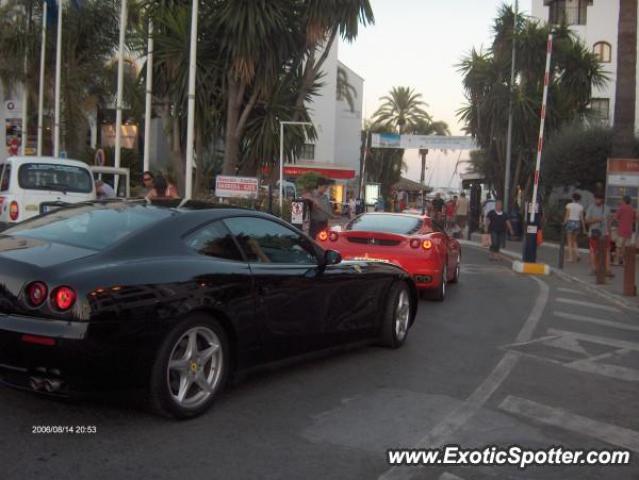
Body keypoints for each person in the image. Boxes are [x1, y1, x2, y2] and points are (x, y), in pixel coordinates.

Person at [585, 192, 613, 277]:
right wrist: (597, 220)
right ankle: (594, 269)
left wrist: (610, 233)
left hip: (604, 233)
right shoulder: (591, 207)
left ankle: (608, 270)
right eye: (596, 198)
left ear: (602, 199)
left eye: (599, 199)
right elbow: (587, 221)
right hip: (594, 232)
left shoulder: (607, 208)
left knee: (607, 251)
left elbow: (609, 222)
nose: (597, 200)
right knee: (594, 251)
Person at [614, 195, 637, 266]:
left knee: (618, 246)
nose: (620, 201)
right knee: (625, 246)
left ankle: (617, 261)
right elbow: (635, 218)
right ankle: (624, 261)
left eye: (621, 200)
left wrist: (619, 222)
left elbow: (615, 217)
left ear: (624, 201)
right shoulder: (632, 209)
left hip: (621, 229)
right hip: (629, 230)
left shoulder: (621, 208)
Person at [563, 192, 586, 262]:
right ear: (579, 199)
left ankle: (571, 257)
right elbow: (582, 218)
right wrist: (584, 228)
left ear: (572, 198)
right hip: (577, 223)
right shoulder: (580, 207)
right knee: (574, 241)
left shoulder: (569, 205)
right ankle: (578, 254)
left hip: (570, 222)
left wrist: (564, 223)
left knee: (569, 241)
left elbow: (567, 215)